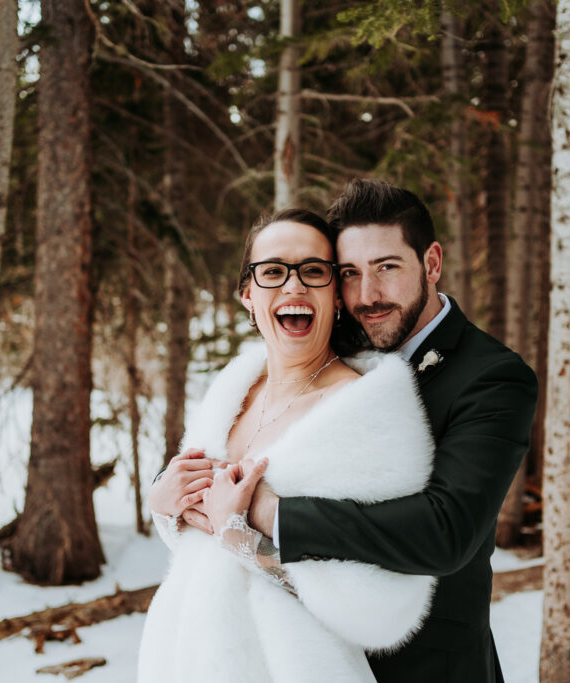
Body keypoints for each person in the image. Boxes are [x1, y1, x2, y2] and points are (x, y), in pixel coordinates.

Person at [243, 180, 539, 682]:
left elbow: (444, 531)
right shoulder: (331, 344)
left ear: (432, 263)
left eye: (387, 268)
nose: (368, 295)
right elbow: (251, 412)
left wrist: (270, 513)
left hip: (427, 667)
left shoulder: (491, 377)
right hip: (312, 655)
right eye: (350, 274)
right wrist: (176, 481)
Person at [138, 209, 438, 683]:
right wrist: (164, 504)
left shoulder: (368, 412)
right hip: (187, 656)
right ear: (248, 296)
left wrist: (244, 538)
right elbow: (200, 537)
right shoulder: (230, 393)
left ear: (335, 298)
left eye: (313, 271)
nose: (293, 287)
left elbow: (384, 599)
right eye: (273, 271)